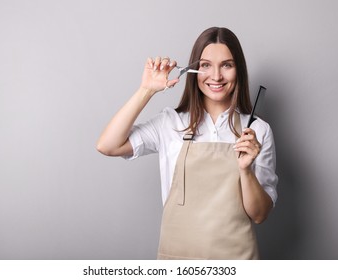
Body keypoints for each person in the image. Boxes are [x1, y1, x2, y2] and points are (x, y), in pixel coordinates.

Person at [96, 27, 278, 260]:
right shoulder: (170, 123)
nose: (216, 76)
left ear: (238, 71)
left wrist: (245, 170)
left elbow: (260, 214)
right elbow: (107, 145)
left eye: (226, 65)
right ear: (193, 70)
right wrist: (146, 90)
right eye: (205, 65)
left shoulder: (257, 131)